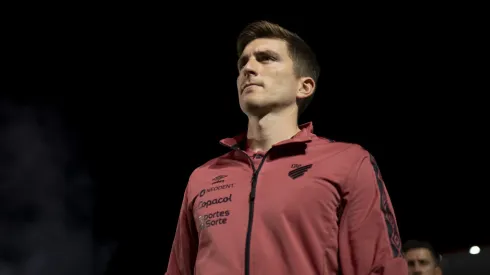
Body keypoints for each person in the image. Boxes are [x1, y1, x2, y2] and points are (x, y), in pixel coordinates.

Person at [166, 20, 407, 275]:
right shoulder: (203, 177)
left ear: (304, 86)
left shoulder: (348, 162)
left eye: (266, 58)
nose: (248, 68)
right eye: (243, 63)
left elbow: (379, 267)